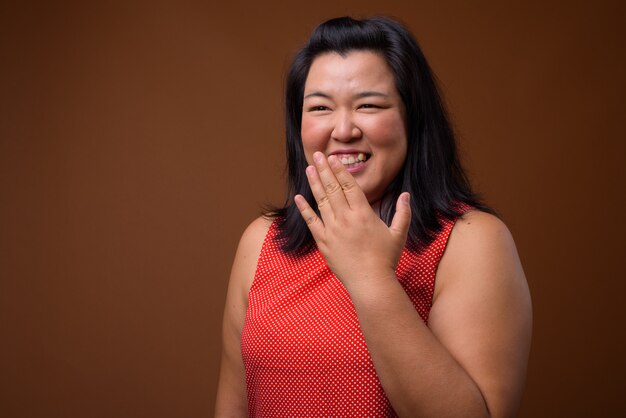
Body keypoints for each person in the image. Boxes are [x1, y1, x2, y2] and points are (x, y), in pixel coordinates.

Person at [215, 16, 532, 418]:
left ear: (411, 118)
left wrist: (369, 276)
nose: (343, 130)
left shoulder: (471, 240)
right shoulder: (262, 240)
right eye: (320, 108)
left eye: (369, 105)